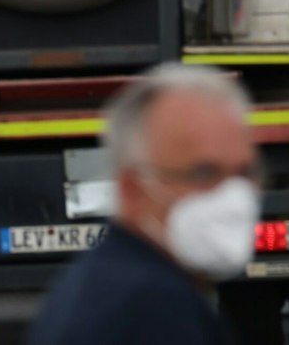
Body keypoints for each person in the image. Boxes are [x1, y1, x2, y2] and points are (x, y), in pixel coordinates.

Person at [26, 65, 259, 345]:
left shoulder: (102, 284)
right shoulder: (156, 311)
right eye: (203, 174)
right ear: (132, 189)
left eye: (244, 173)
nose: (232, 196)